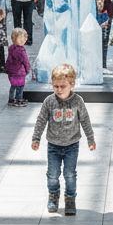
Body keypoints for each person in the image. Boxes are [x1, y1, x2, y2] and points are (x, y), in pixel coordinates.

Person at [31, 63, 96, 216]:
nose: (59, 89)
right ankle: (53, 195)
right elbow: (41, 120)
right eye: (55, 86)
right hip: (53, 146)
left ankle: (70, 198)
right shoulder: (49, 101)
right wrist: (36, 138)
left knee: (70, 174)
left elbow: (85, 120)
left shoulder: (77, 101)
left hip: (72, 145)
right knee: (53, 174)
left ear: (72, 85)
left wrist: (90, 138)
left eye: (63, 86)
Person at [5, 27, 31, 107]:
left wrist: (7, 69)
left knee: (13, 86)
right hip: (19, 72)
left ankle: (11, 100)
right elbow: (25, 61)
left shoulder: (11, 48)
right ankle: (18, 100)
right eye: (22, 38)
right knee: (20, 86)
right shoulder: (21, 51)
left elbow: (8, 60)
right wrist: (28, 69)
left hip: (11, 72)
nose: (24, 40)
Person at [95, 0, 113, 70]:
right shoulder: (109, 3)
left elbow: (107, 13)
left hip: (104, 23)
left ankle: (103, 64)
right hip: (104, 22)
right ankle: (102, 64)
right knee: (103, 44)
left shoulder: (108, 3)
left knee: (103, 44)